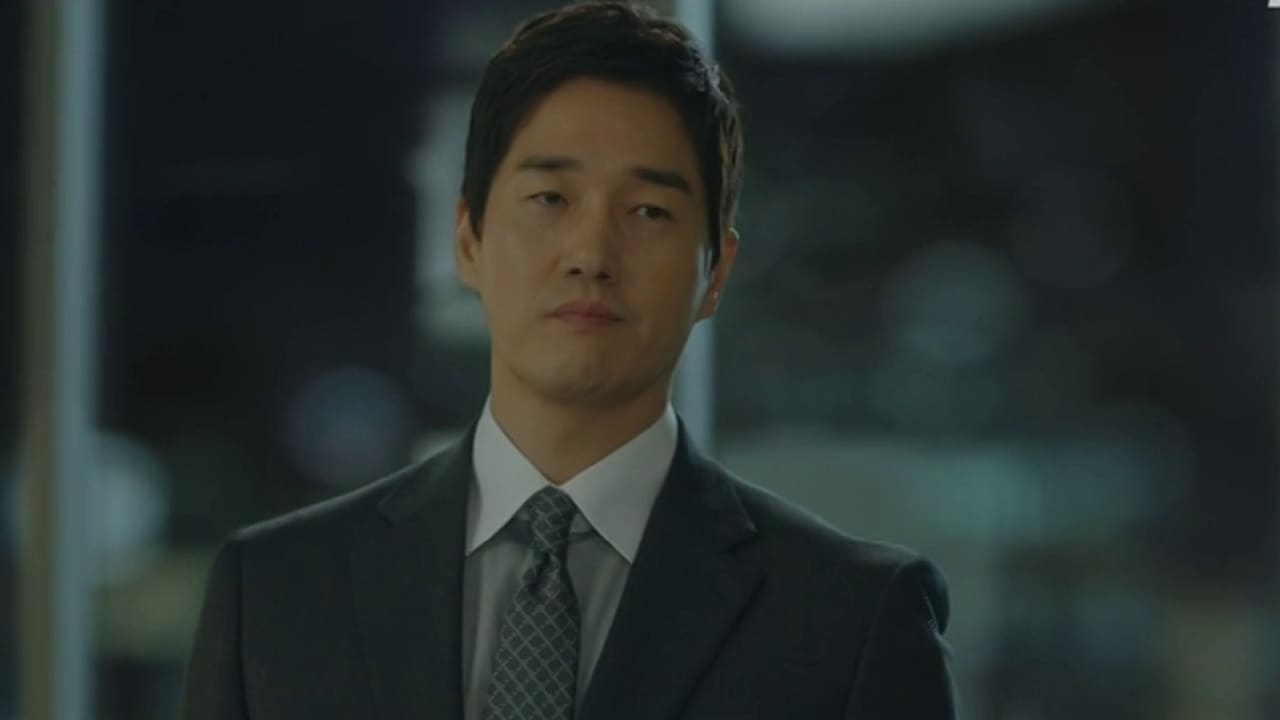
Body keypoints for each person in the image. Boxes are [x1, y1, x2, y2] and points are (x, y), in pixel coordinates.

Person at [180, 2, 957, 718]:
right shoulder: (276, 592)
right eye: (550, 199)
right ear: (468, 240)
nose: (591, 253)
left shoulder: (851, 618)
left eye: (649, 210)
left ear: (715, 273)